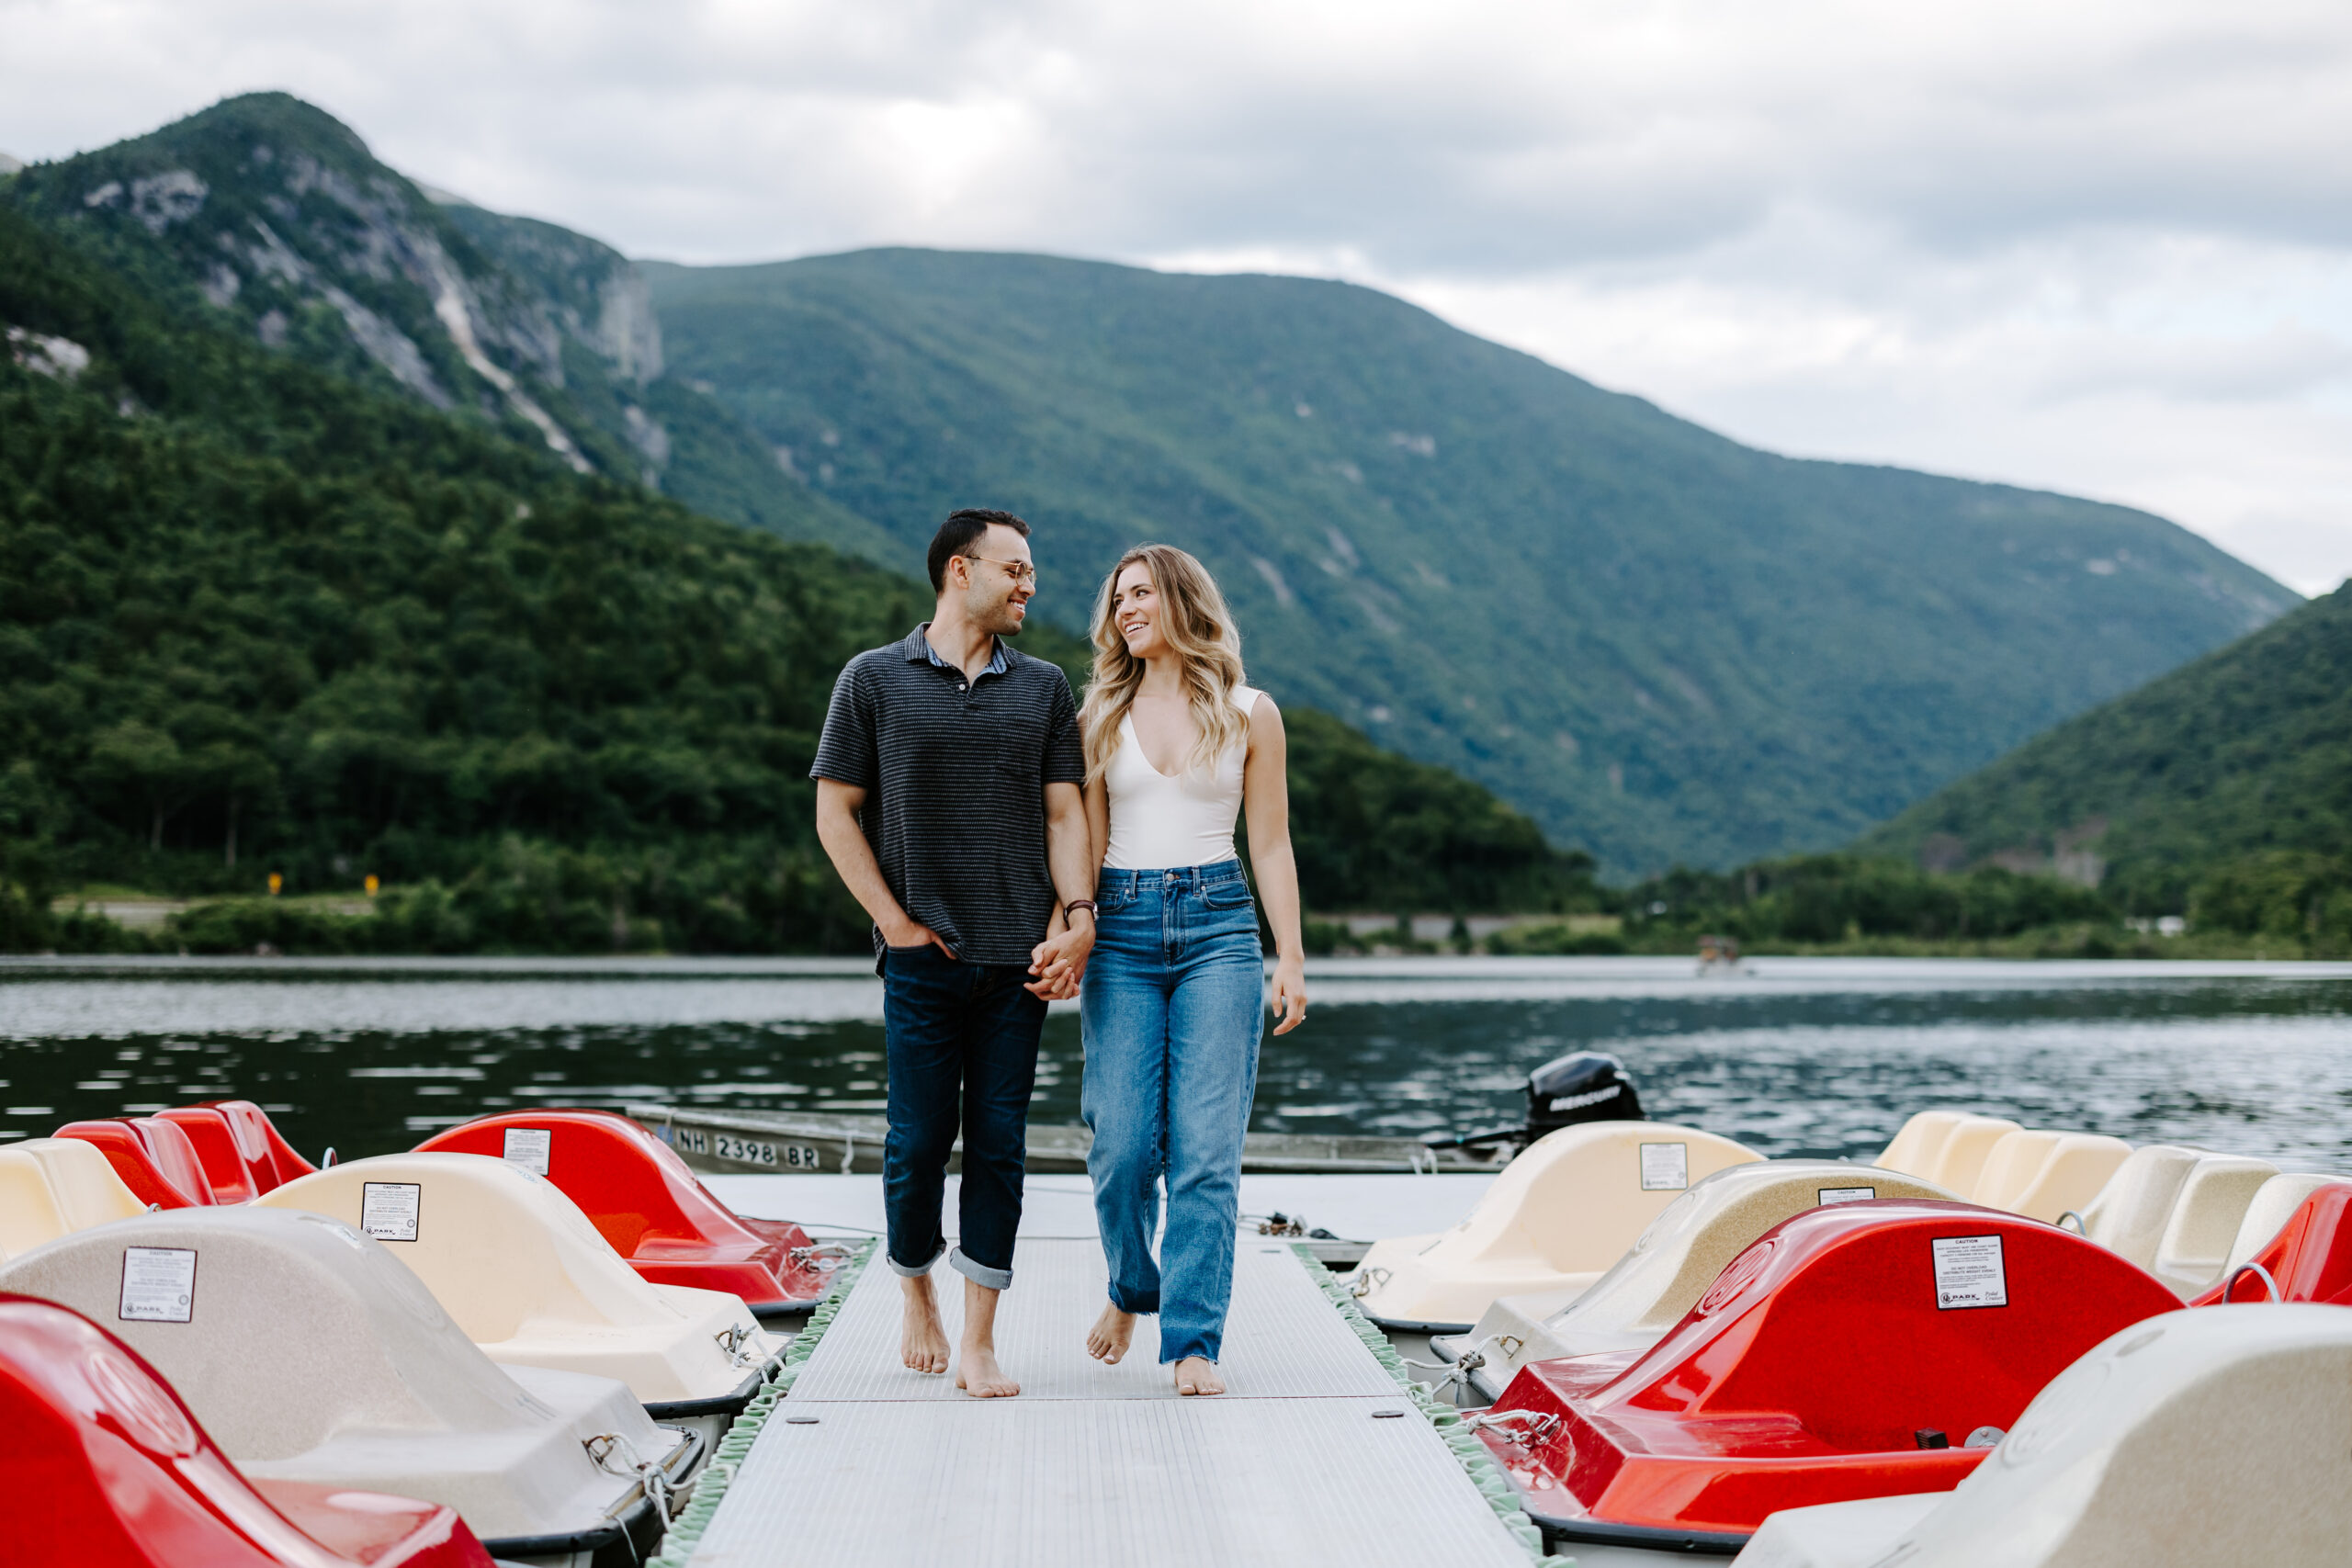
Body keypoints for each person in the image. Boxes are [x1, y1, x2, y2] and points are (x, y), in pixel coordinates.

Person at [810, 508, 1095, 1399]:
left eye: (1031, 571)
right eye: (1014, 568)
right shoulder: (872, 680)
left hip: (1022, 961)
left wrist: (1075, 914)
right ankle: (915, 1293)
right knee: (917, 1141)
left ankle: (978, 1340)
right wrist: (892, 923)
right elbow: (834, 810)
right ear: (958, 570)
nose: (1028, 585)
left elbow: (1063, 814)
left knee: (999, 1147)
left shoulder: (1044, 686)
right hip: (922, 957)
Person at [1073, 543, 1308, 1395]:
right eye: (1118, 598)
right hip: (1123, 930)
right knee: (1124, 1146)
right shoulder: (1097, 712)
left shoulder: (1252, 712)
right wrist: (1076, 929)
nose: (1125, 608)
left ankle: (1193, 1341)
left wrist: (1291, 954)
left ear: (1180, 599)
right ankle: (1133, 1287)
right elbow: (1087, 847)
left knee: (1206, 1154)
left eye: (1140, 593)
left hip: (1221, 930)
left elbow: (1271, 842)